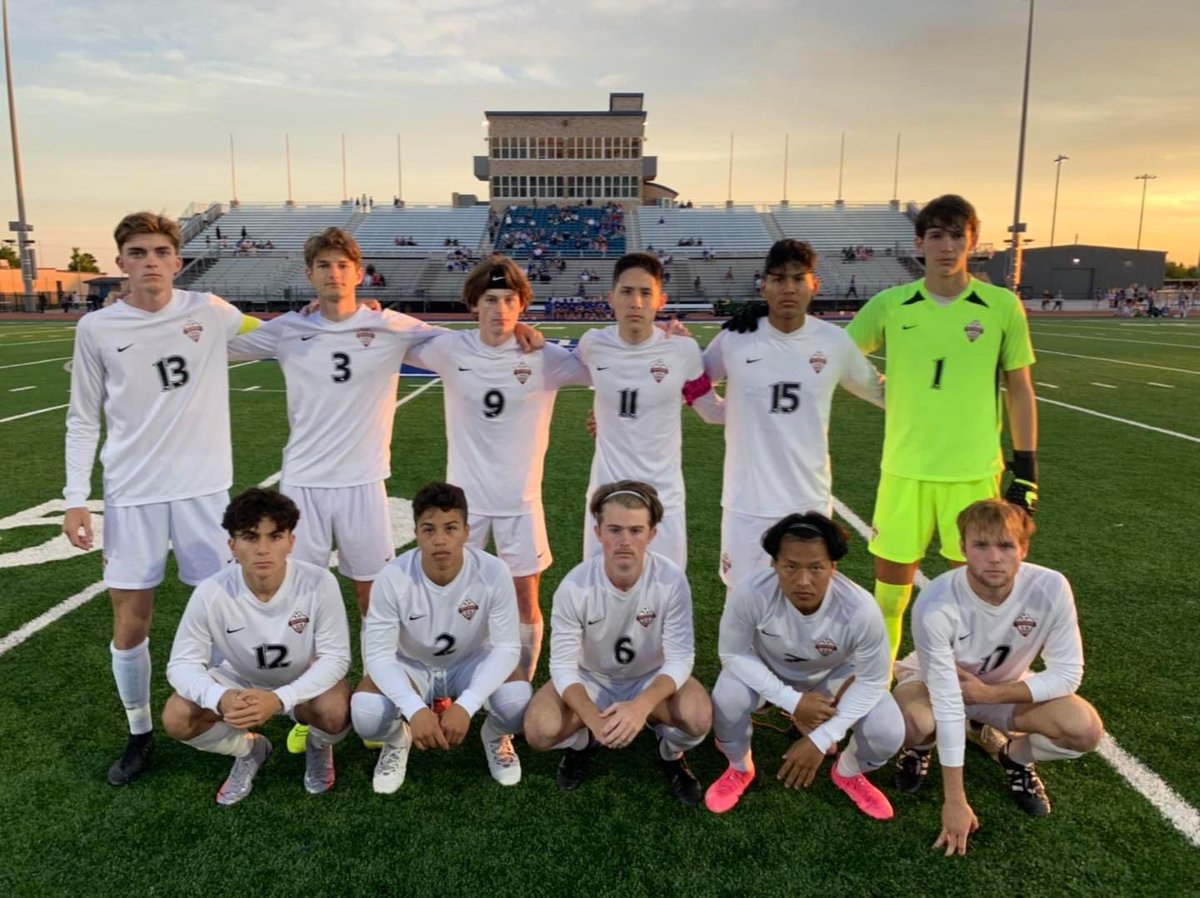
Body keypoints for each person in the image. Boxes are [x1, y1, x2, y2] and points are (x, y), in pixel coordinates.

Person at [62, 212, 262, 786]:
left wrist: (354, 317)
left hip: (203, 493)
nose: (150, 260)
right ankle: (140, 732)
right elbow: (82, 419)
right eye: (137, 252)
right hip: (132, 494)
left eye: (160, 251)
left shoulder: (210, 310)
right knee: (132, 619)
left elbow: (273, 335)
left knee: (222, 614)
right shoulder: (97, 329)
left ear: (178, 261)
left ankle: (227, 712)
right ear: (121, 263)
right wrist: (77, 498)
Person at [845, 194, 1038, 666]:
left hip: (972, 473)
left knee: (976, 595)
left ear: (972, 241)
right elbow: (837, 355)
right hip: (905, 470)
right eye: (936, 236)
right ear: (919, 244)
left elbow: (1019, 387)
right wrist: (884, 392)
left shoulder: (1000, 306)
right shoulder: (892, 304)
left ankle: (969, 697)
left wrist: (1026, 468)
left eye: (957, 236)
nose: (947, 247)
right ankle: (879, 690)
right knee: (890, 596)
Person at [406, 258, 588, 682]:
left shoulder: (546, 357)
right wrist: (371, 310)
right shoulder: (450, 349)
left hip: (520, 502)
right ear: (474, 305)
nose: (500, 309)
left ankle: (520, 684)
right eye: (490, 299)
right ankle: (452, 678)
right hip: (462, 507)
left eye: (510, 300)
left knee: (526, 602)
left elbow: (609, 366)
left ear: (522, 305)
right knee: (454, 597)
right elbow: (392, 337)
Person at [892, 499, 1103, 856]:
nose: (994, 557)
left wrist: (988, 695)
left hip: (1001, 689)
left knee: (1084, 730)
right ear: (963, 548)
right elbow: (947, 700)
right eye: (981, 545)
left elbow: (1068, 673)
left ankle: (1015, 757)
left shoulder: (1051, 587)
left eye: (1005, 545)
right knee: (916, 723)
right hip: (933, 684)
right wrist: (955, 800)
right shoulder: (936, 601)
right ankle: (920, 748)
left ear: (1023, 548)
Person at [703, 239, 884, 588]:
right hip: (747, 501)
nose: (789, 288)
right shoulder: (736, 337)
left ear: (814, 284)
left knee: (807, 600)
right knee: (741, 600)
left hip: (807, 500)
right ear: (763, 285)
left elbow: (883, 393)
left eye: (798, 279)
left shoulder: (834, 342)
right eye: (779, 278)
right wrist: (718, 411)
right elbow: (690, 379)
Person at [523, 481, 712, 805]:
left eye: (636, 530)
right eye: (614, 529)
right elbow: (563, 666)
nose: (625, 541)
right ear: (598, 532)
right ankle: (582, 745)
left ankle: (670, 754)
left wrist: (642, 706)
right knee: (539, 729)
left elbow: (681, 657)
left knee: (699, 717)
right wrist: (593, 720)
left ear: (652, 534)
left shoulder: (670, 579)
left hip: (648, 677)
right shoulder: (575, 587)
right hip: (592, 679)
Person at [161, 488, 351, 805]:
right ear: (232, 545)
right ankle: (250, 750)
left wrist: (279, 699)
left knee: (335, 711)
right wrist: (219, 697)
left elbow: (336, 658)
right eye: (250, 537)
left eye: (275, 536)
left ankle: (317, 745)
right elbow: (181, 664)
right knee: (177, 717)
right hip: (240, 681)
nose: (263, 549)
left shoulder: (319, 583)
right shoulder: (211, 592)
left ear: (291, 541)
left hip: (300, 680)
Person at [706, 512, 901, 819]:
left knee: (888, 731)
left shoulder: (860, 609)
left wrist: (822, 739)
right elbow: (732, 654)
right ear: (775, 564)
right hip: (770, 671)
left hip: (833, 678)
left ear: (833, 567)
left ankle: (848, 772)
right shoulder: (751, 593)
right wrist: (793, 702)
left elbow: (874, 680)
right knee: (727, 697)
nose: (803, 580)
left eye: (816, 568)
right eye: (790, 566)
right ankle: (739, 767)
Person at [351, 482, 529, 793]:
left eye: (450, 528)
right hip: (413, 666)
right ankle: (396, 740)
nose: (440, 540)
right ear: (417, 532)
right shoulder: (393, 578)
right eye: (429, 530)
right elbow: (378, 655)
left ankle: (495, 734)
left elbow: (507, 648)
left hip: (469, 662)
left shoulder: (493, 571)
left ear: (466, 531)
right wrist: (414, 709)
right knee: (365, 712)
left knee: (518, 702)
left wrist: (467, 705)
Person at [577, 252, 717, 570]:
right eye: (626, 292)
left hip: (663, 497)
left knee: (667, 596)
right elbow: (549, 368)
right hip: (606, 497)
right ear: (611, 297)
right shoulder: (593, 345)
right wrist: (522, 332)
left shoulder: (682, 350)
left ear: (660, 300)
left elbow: (710, 411)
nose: (636, 302)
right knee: (600, 596)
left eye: (645, 293)